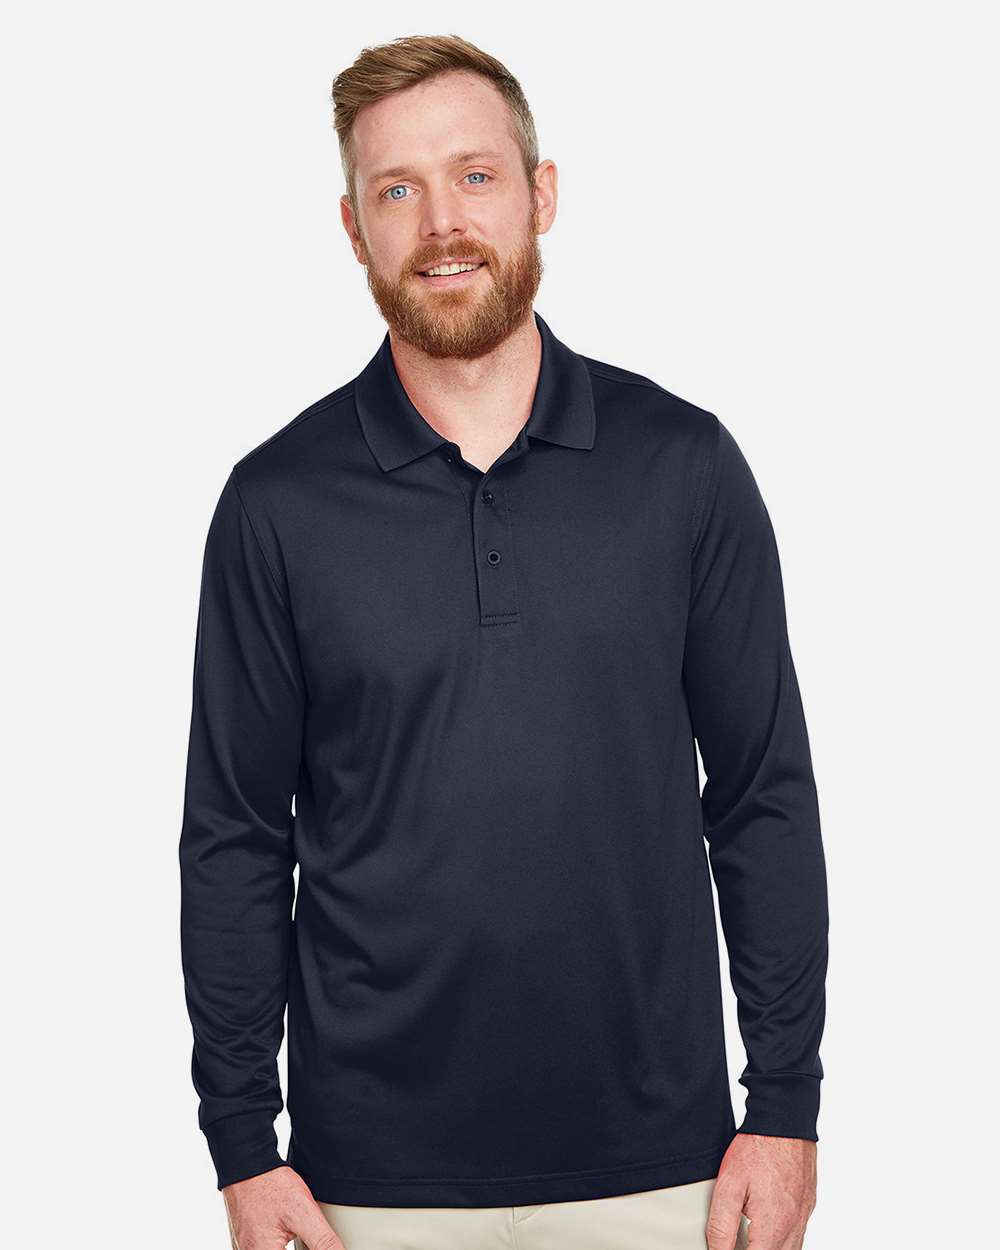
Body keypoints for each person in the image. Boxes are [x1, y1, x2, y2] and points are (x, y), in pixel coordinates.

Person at [179, 33, 829, 1250]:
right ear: (352, 228)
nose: (441, 223)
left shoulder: (683, 467)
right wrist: (242, 1144)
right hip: (363, 1187)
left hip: (663, 1171)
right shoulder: (277, 504)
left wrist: (785, 1104)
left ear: (541, 194)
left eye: (474, 176)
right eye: (397, 189)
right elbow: (234, 835)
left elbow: (761, 796)